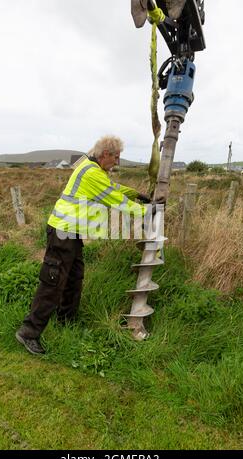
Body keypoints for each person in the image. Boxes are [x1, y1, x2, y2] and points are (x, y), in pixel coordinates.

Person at [15, 135, 152, 355]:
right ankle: (28, 333)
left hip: (71, 233)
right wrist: (146, 211)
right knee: (53, 281)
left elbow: (112, 188)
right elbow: (112, 198)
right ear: (105, 154)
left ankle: (66, 321)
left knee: (74, 277)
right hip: (62, 232)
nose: (117, 162)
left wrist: (135, 194)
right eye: (116, 157)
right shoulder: (90, 172)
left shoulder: (94, 170)